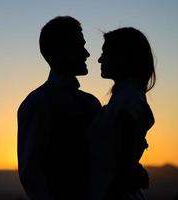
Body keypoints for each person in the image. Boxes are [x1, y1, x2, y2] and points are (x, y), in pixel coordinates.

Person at [17, 16, 102, 200]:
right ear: (57, 53)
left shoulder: (92, 103)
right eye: (78, 46)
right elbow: (31, 173)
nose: (87, 53)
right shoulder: (38, 103)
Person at [88, 27, 156, 200]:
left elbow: (123, 150)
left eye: (105, 53)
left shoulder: (128, 97)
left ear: (123, 57)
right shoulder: (125, 95)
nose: (99, 59)